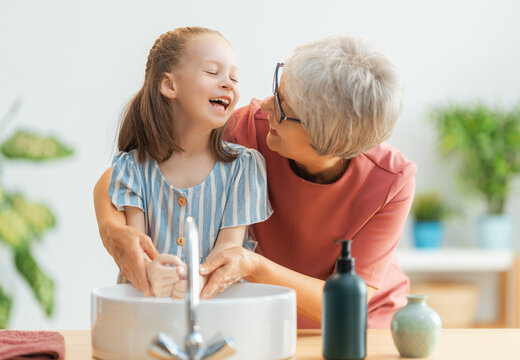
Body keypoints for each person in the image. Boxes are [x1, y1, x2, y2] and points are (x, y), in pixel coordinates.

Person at [94, 35, 416, 328]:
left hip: (356, 325)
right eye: (278, 90)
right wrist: (113, 231)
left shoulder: (391, 182)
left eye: (283, 109)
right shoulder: (247, 130)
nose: (264, 106)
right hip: (269, 315)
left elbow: (344, 302)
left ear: (327, 144)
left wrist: (252, 265)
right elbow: (124, 173)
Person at [104, 26, 272, 298]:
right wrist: (152, 271)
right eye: (212, 72)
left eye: (234, 77)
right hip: (146, 316)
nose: (228, 83)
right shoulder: (132, 168)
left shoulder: (244, 167)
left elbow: (228, 250)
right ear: (170, 85)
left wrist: (197, 280)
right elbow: (137, 247)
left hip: (217, 316)